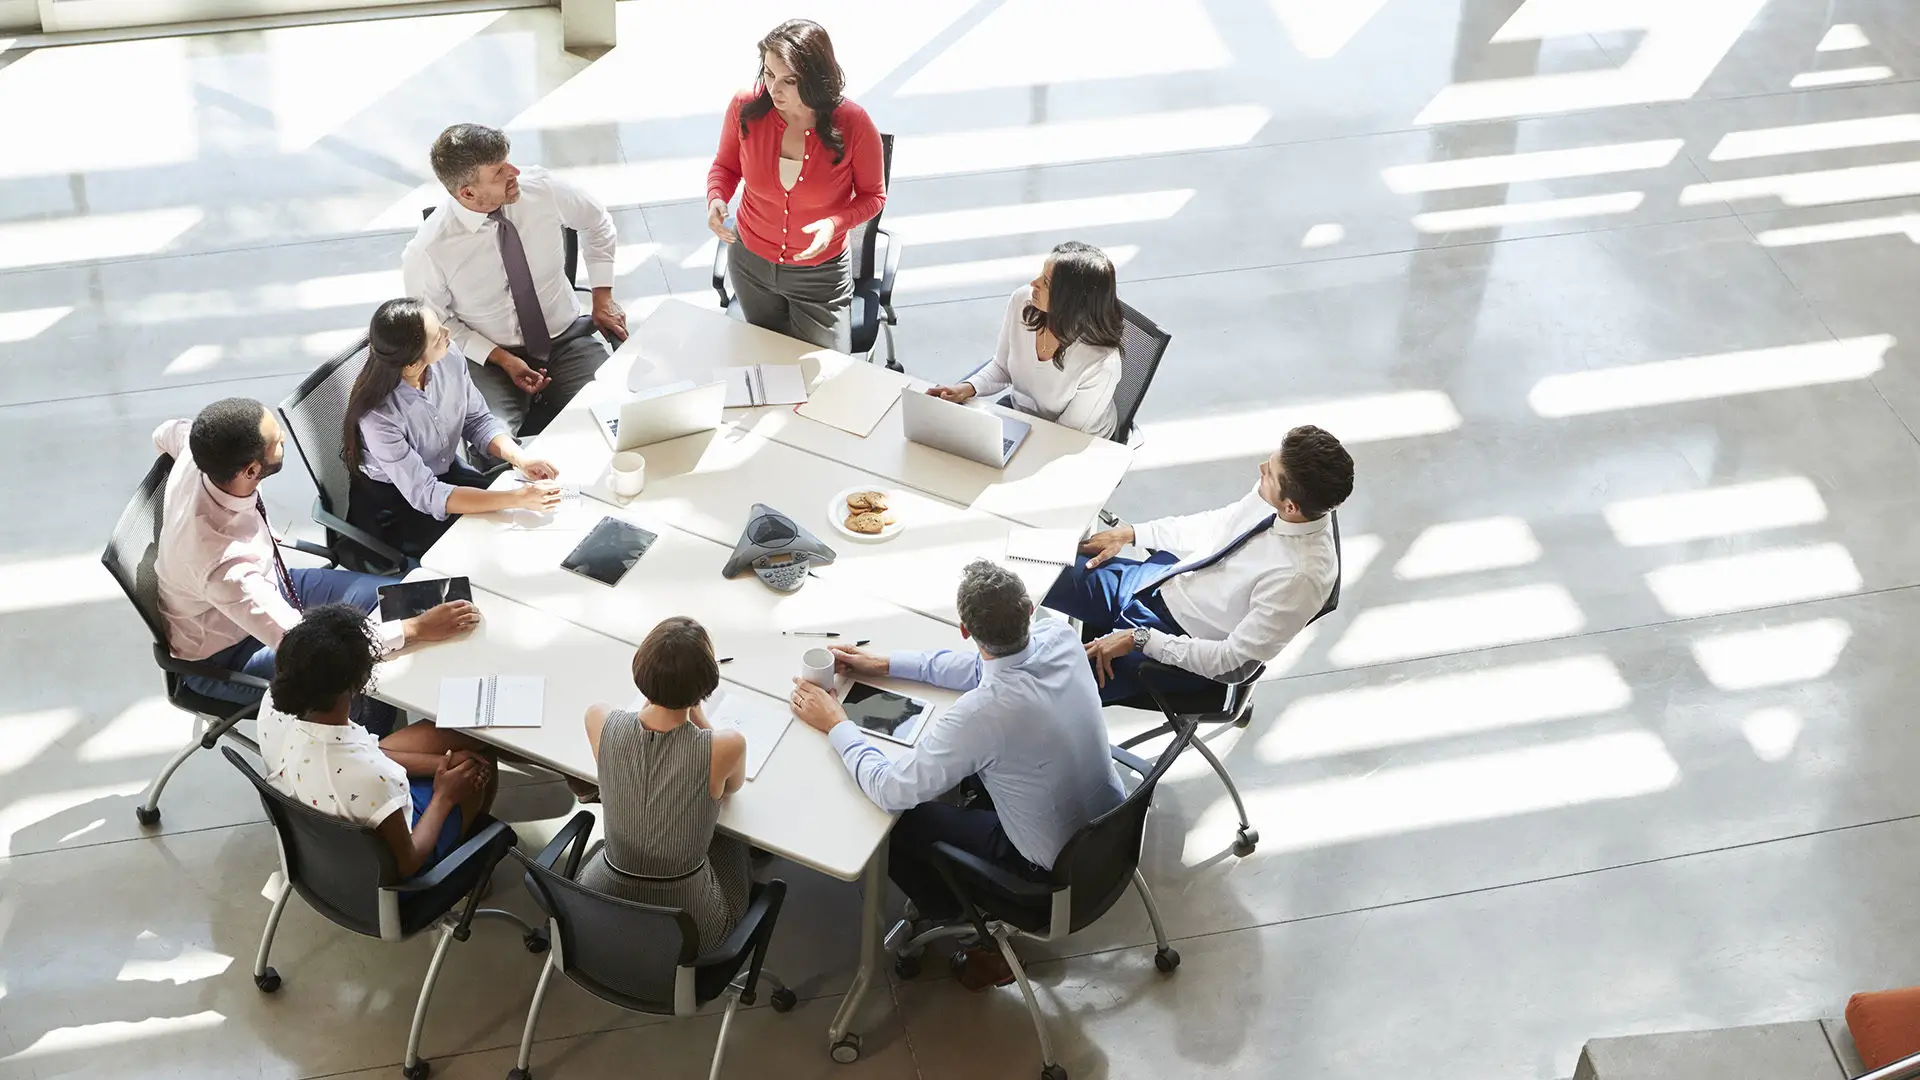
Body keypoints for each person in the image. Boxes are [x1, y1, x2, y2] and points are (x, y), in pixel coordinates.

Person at [789, 560, 1123, 991]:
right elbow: (983, 668)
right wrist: (886, 664)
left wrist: (837, 722)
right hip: (1110, 834)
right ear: (1028, 611)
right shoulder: (1060, 636)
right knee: (968, 779)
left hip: (1046, 879)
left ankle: (967, 923)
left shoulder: (983, 713)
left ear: (965, 630)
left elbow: (890, 790)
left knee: (900, 822)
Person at [152, 398, 477, 727]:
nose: (283, 437)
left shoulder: (199, 453)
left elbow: (165, 432)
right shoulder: (227, 568)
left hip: (274, 583)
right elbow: (310, 650)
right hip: (229, 654)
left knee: (406, 596)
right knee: (364, 685)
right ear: (250, 470)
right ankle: (377, 751)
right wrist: (414, 629)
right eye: (276, 440)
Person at [1044, 425, 1354, 702]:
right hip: (1158, 583)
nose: (1261, 468)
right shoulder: (1277, 496)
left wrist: (1140, 639)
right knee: (1038, 566)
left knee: (1042, 690)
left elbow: (1232, 663)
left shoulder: (1300, 579)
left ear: (1291, 507)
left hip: (1174, 645)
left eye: (1270, 472)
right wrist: (1133, 534)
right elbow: (1218, 525)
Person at [403, 123, 626, 439]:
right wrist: (502, 359)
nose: (514, 172)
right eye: (499, 172)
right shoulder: (428, 250)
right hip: (489, 359)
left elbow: (597, 223)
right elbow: (436, 324)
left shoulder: (543, 190)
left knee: (616, 419)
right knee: (493, 443)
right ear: (468, 193)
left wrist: (603, 297)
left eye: (508, 162)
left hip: (565, 339)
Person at [257, 604, 496, 876]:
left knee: (460, 739)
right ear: (359, 682)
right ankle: (468, 864)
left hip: (325, 829)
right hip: (390, 870)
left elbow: (366, 754)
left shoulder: (274, 706)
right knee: (479, 761)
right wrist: (444, 795)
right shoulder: (373, 778)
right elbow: (406, 863)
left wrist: (438, 764)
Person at [706, 19, 886, 352]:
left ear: (816, 78)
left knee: (826, 375)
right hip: (750, 266)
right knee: (767, 361)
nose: (774, 89)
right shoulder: (745, 107)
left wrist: (835, 223)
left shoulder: (854, 124)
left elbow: (873, 196)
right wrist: (717, 198)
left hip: (820, 278)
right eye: (769, 74)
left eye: (788, 80)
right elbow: (725, 167)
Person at [577, 617, 752, 952]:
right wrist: (695, 710)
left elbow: (639, 721)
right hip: (692, 930)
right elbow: (731, 788)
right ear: (706, 685)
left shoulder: (599, 719)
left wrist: (661, 694)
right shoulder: (727, 746)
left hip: (600, 905)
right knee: (733, 840)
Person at [343, 298, 565, 560]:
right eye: (437, 336)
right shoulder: (379, 416)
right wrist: (517, 497)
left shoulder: (448, 357)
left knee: (523, 524)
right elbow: (427, 494)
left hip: (445, 474)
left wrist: (521, 460)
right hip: (400, 506)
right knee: (490, 544)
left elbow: (477, 420)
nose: (447, 333)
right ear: (412, 364)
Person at [927, 242, 1125, 438]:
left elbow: (1065, 436)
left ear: (1071, 301)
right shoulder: (1024, 302)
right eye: (1041, 274)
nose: (1034, 283)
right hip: (1023, 416)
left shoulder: (1101, 362)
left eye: (1046, 282)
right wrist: (965, 389)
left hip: (1073, 440)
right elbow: (1002, 367)